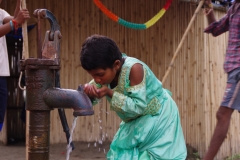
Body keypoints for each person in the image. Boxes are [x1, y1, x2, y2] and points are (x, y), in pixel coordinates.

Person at [80, 34, 187, 159]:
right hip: (137, 120)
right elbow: (93, 92)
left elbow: (138, 106)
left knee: (148, 156)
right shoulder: (105, 77)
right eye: (93, 76)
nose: (96, 79)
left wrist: (110, 93)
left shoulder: (135, 69)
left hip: (159, 116)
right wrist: (89, 92)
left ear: (116, 65)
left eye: (99, 74)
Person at [203, 1, 240, 159]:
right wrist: (208, 8)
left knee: (222, 114)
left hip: (239, 69)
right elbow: (216, 29)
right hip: (233, 68)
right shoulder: (234, 8)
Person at [0, 0, 30, 131]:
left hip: (1, 73)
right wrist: (15, 22)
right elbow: (15, 22)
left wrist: (19, 2)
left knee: (0, 116)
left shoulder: (0, 13)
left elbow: (17, 19)